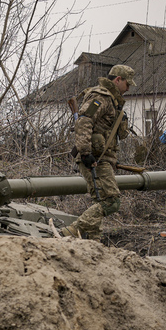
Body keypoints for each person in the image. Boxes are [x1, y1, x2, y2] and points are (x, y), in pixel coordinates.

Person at [60, 64, 136, 240]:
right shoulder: (101, 97)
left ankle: (94, 243)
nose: (129, 88)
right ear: (118, 80)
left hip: (102, 158)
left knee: (101, 201)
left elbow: (116, 134)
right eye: (128, 83)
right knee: (111, 201)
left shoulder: (113, 101)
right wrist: (86, 153)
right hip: (95, 159)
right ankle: (71, 231)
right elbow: (84, 121)